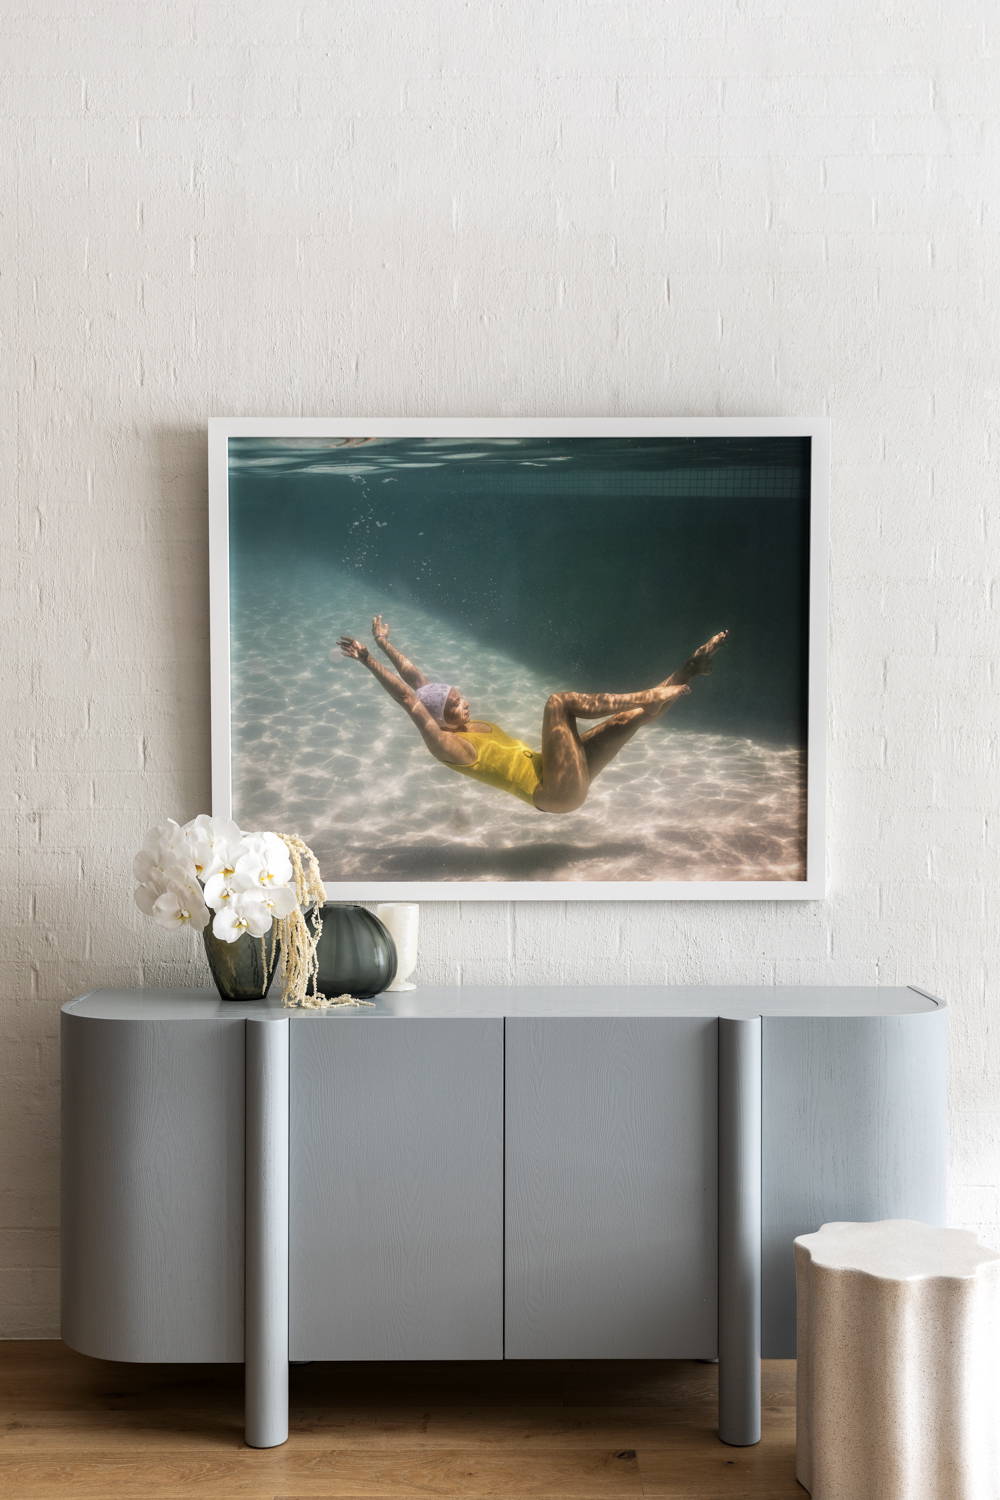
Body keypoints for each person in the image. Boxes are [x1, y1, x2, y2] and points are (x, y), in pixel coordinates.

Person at [336, 615, 728, 814]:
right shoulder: (448, 744)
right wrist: (369, 660)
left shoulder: (457, 720)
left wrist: (384, 641)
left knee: (628, 720)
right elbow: (410, 700)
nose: (464, 702)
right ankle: (651, 693)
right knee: (558, 702)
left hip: (559, 775)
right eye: (455, 704)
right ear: (439, 719)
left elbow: (417, 682)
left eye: (459, 695)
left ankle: (691, 669)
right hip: (554, 793)